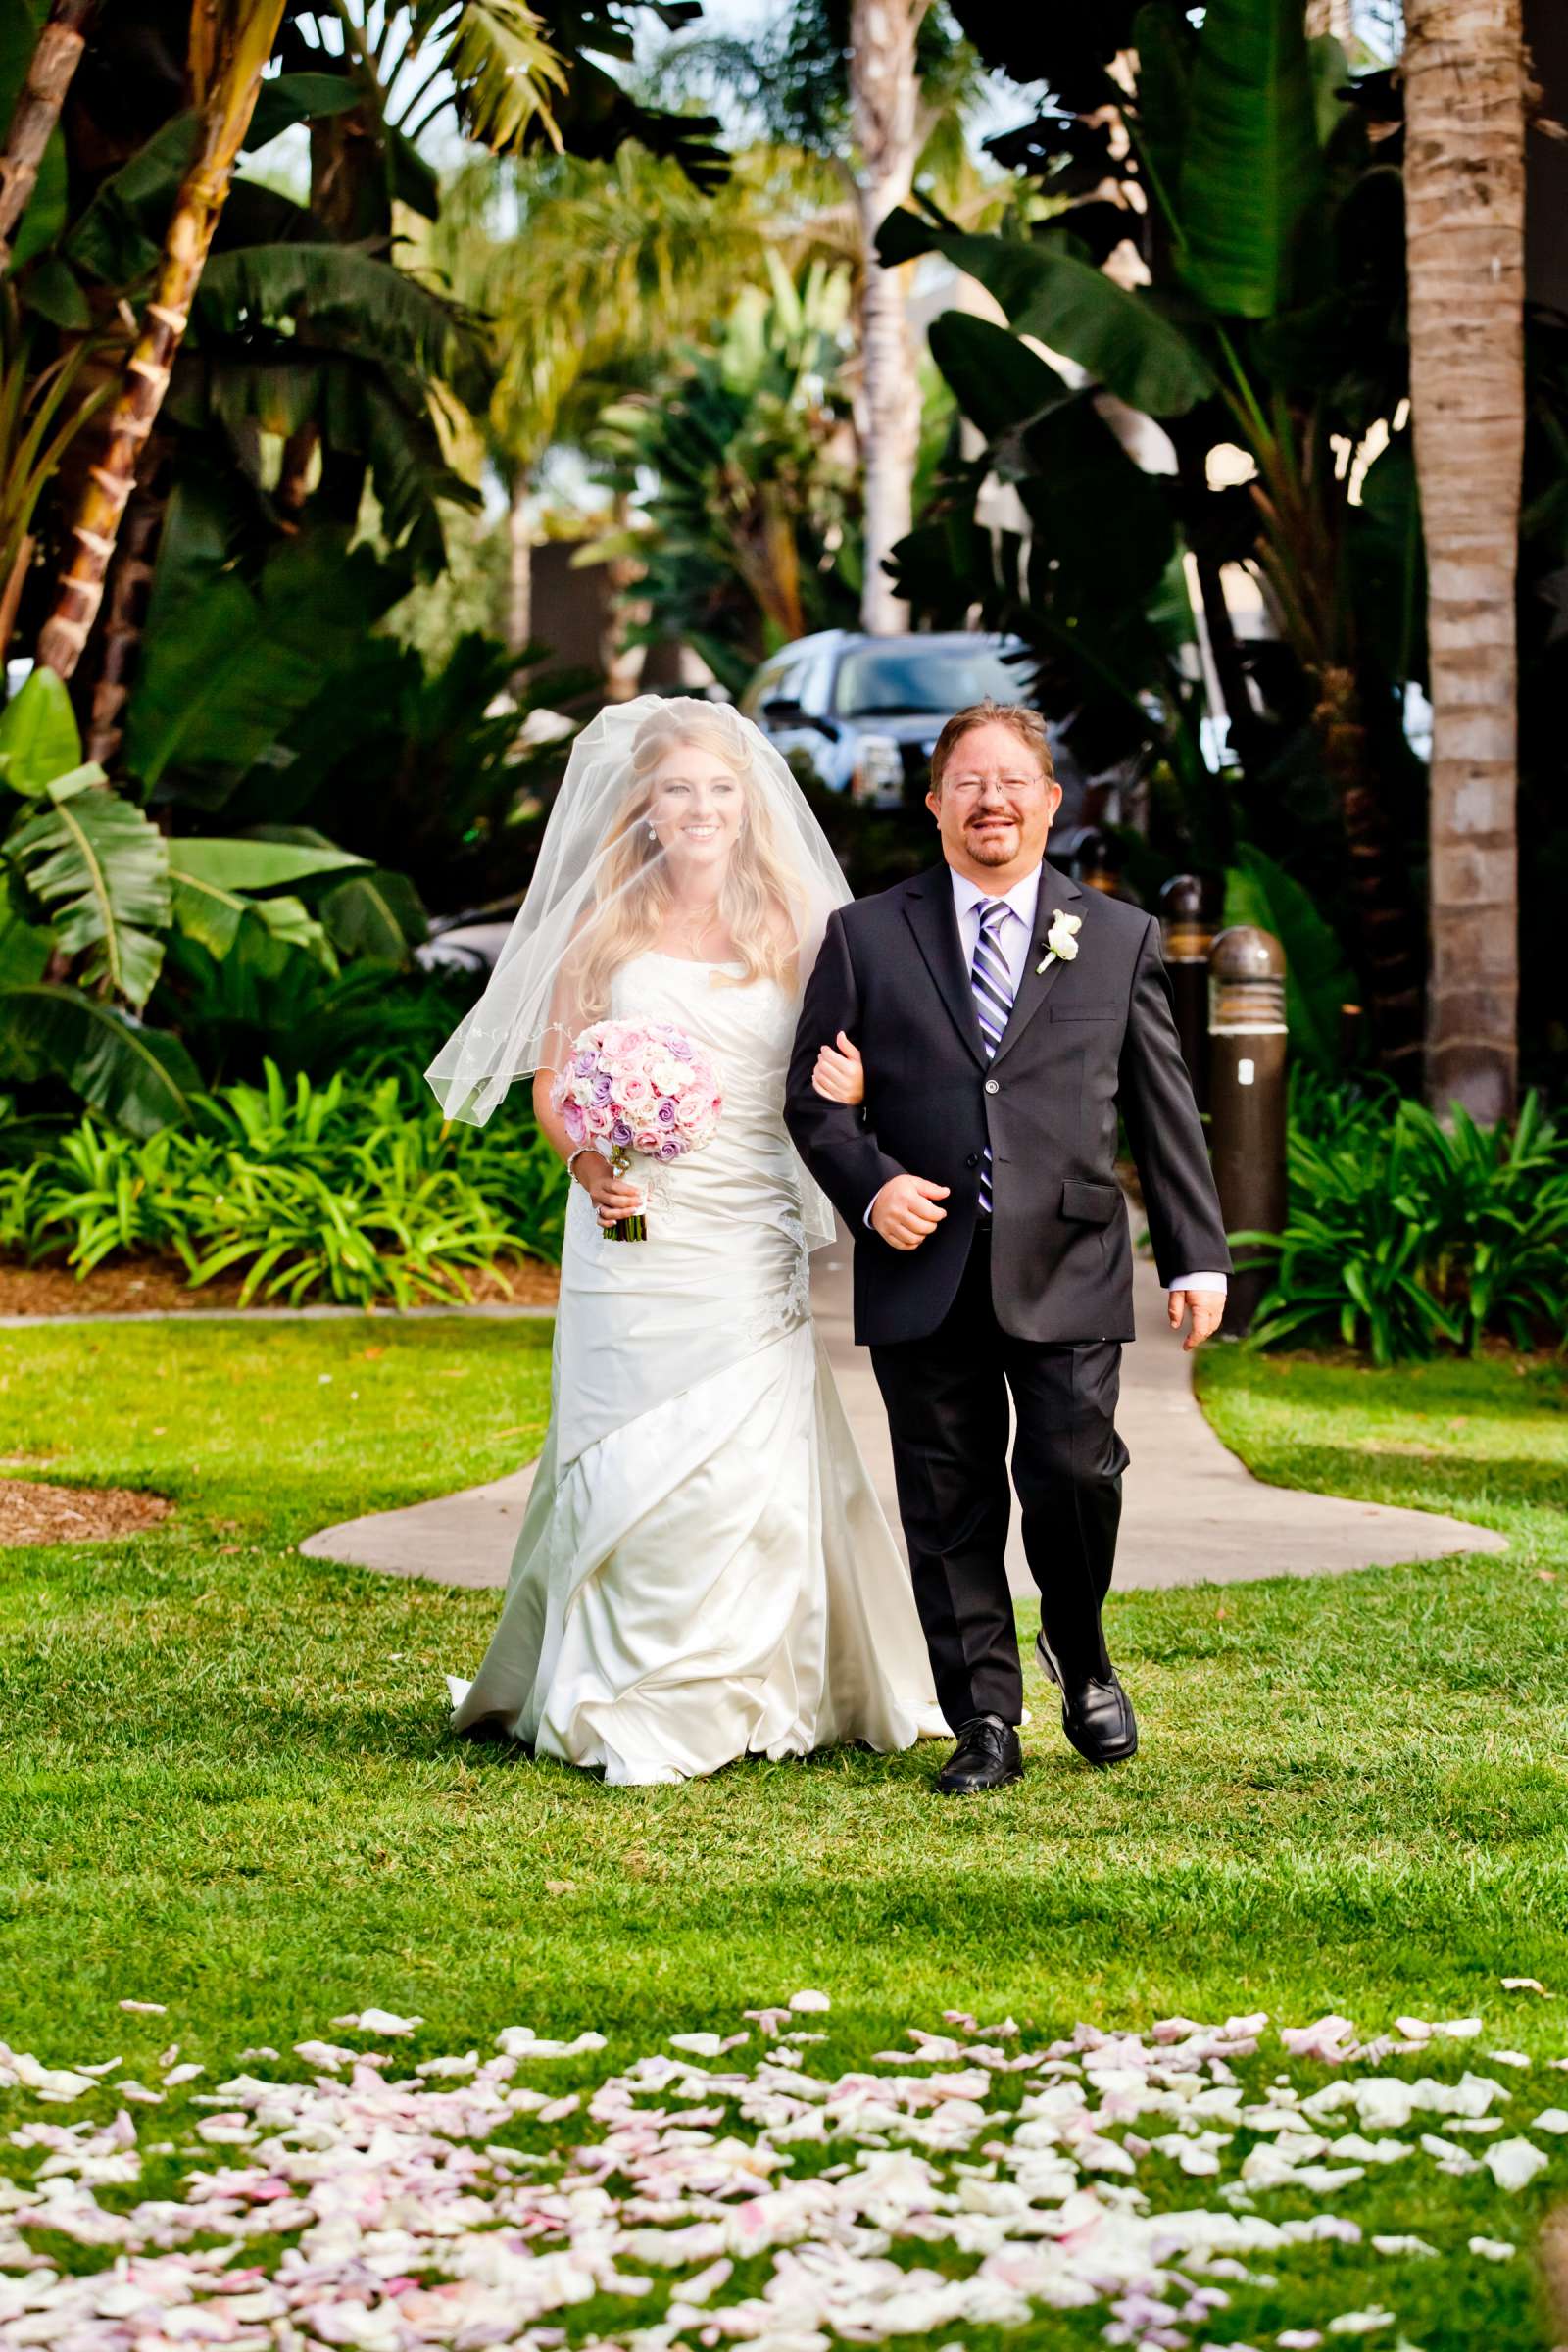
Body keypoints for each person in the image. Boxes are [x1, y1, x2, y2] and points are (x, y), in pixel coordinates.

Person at [425, 697, 945, 1785]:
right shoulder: (603, 927)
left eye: (719, 788)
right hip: (627, 1225)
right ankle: (608, 1679)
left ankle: (747, 1681)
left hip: (744, 1221)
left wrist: (848, 1084)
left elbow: (854, 1052)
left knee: (742, 1453)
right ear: (646, 810)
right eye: (677, 790)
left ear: (747, 805)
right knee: (620, 1441)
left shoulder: (800, 922)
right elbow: (555, 1080)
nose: (700, 807)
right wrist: (587, 1161)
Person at [785, 700, 1231, 1797]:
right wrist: (868, 1183)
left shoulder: (1117, 936)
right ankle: (983, 1719)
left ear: (1049, 803)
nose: (991, 800)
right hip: (919, 1261)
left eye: (1012, 781)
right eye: (968, 781)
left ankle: (1078, 1649)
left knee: (1077, 1471)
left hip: (1070, 1257)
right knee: (946, 1501)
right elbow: (812, 1101)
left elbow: (1163, 1106)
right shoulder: (863, 936)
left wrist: (1196, 1254)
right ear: (934, 803)